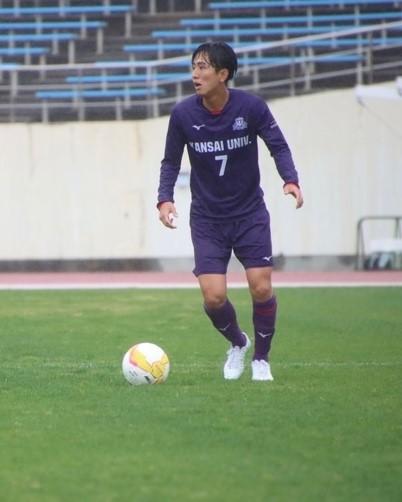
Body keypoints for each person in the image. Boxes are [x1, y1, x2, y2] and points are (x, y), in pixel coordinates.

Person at [157, 41, 303, 381]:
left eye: (203, 67)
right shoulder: (183, 114)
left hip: (249, 213)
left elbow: (278, 145)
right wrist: (164, 198)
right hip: (207, 219)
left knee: (261, 287)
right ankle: (238, 343)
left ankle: (261, 359)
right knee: (213, 297)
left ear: (223, 74)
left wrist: (290, 179)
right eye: (194, 66)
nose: (195, 74)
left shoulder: (251, 107)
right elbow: (170, 161)